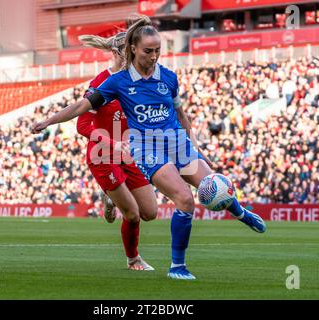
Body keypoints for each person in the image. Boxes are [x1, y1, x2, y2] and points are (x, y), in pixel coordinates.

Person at [31, 15, 266, 280]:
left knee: (212, 183)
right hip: (146, 148)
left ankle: (240, 212)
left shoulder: (168, 77)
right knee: (185, 200)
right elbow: (80, 108)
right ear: (133, 49)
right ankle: (178, 266)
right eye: (148, 51)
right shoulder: (117, 82)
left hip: (176, 142)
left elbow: (181, 114)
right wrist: (48, 121)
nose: (154, 56)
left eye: (157, 51)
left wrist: (193, 145)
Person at [75, 32, 158, 271]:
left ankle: (110, 197)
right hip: (102, 155)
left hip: (128, 154)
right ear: (117, 53)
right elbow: (82, 126)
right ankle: (133, 259)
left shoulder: (139, 80)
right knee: (131, 214)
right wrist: (114, 144)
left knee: (150, 212)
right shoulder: (99, 83)